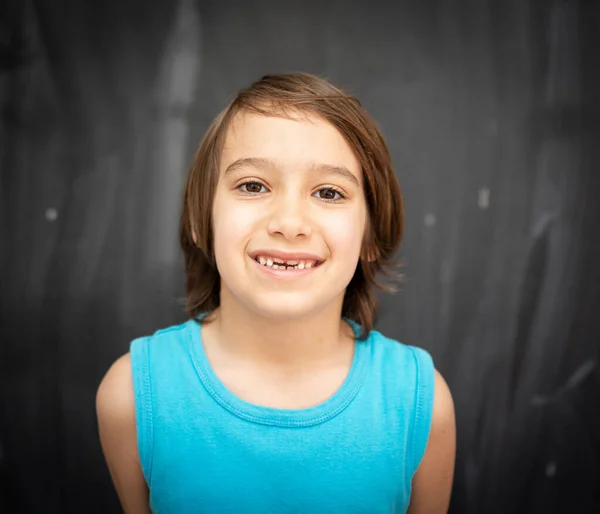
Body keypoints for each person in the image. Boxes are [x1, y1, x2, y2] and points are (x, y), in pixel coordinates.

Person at [96, 72, 456, 514]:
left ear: (370, 235)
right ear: (199, 217)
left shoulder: (420, 404)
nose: (288, 222)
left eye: (328, 192)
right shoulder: (131, 397)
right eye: (252, 185)